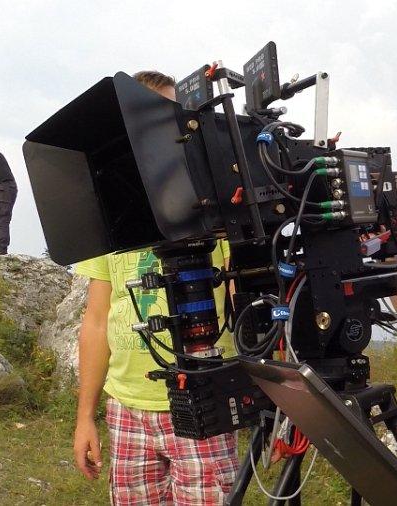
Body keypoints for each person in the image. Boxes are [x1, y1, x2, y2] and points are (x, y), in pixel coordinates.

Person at [72, 70, 239, 505]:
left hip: (204, 398)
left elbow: (247, 304)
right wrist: (85, 416)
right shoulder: (110, 214)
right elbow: (96, 321)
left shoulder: (214, 206)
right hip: (126, 406)